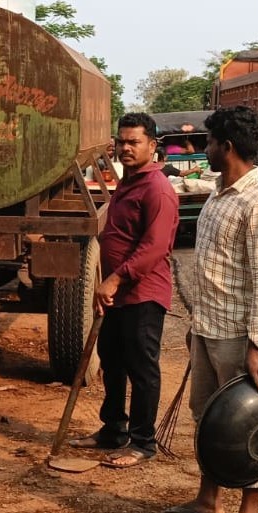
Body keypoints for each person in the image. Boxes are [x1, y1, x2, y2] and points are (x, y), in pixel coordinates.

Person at [156, 106, 258, 513]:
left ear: (225, 147)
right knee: (210, 420)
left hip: (239, 336)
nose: (204, 149)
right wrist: (197, 327)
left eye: (208, 142)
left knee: (249, 422)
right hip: (209, 328)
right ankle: (207, 501)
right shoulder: (218, 194)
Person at [70, 113, 179, 467]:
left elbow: (154, 247)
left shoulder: (157, 189)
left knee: (141, 369)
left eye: (134, 142)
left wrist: (116, 279)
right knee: (112, 362)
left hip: (143, 294)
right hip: (115, 293)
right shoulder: (128, 182)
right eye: (122, 141)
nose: (126, 148)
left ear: (152, 146)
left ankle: (142, 442)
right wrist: (104, 284)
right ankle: (113, 430)